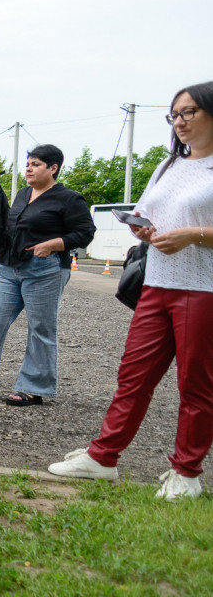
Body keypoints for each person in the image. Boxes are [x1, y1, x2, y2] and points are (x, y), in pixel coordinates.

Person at [49, 80, 213, 501]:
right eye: (174, 114)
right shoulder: (167, 166)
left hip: (202, 289)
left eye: (188, 112)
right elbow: (145, 211)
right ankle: (103, 458)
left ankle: (187, 473)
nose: (179, 121)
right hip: (156, 284)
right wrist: (138, 224)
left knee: (195, 385)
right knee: (133, 377)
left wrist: (193, 234)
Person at [0, 144, 95, 406]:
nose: (28, 168)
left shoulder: (69, 199)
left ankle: (33, 386)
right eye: (28, 163)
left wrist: (54, 244)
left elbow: (86, 232)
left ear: (53, 168)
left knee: (40, 327)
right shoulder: (23, 193)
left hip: (46, 269)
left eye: (36, 164)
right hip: (9, 268)